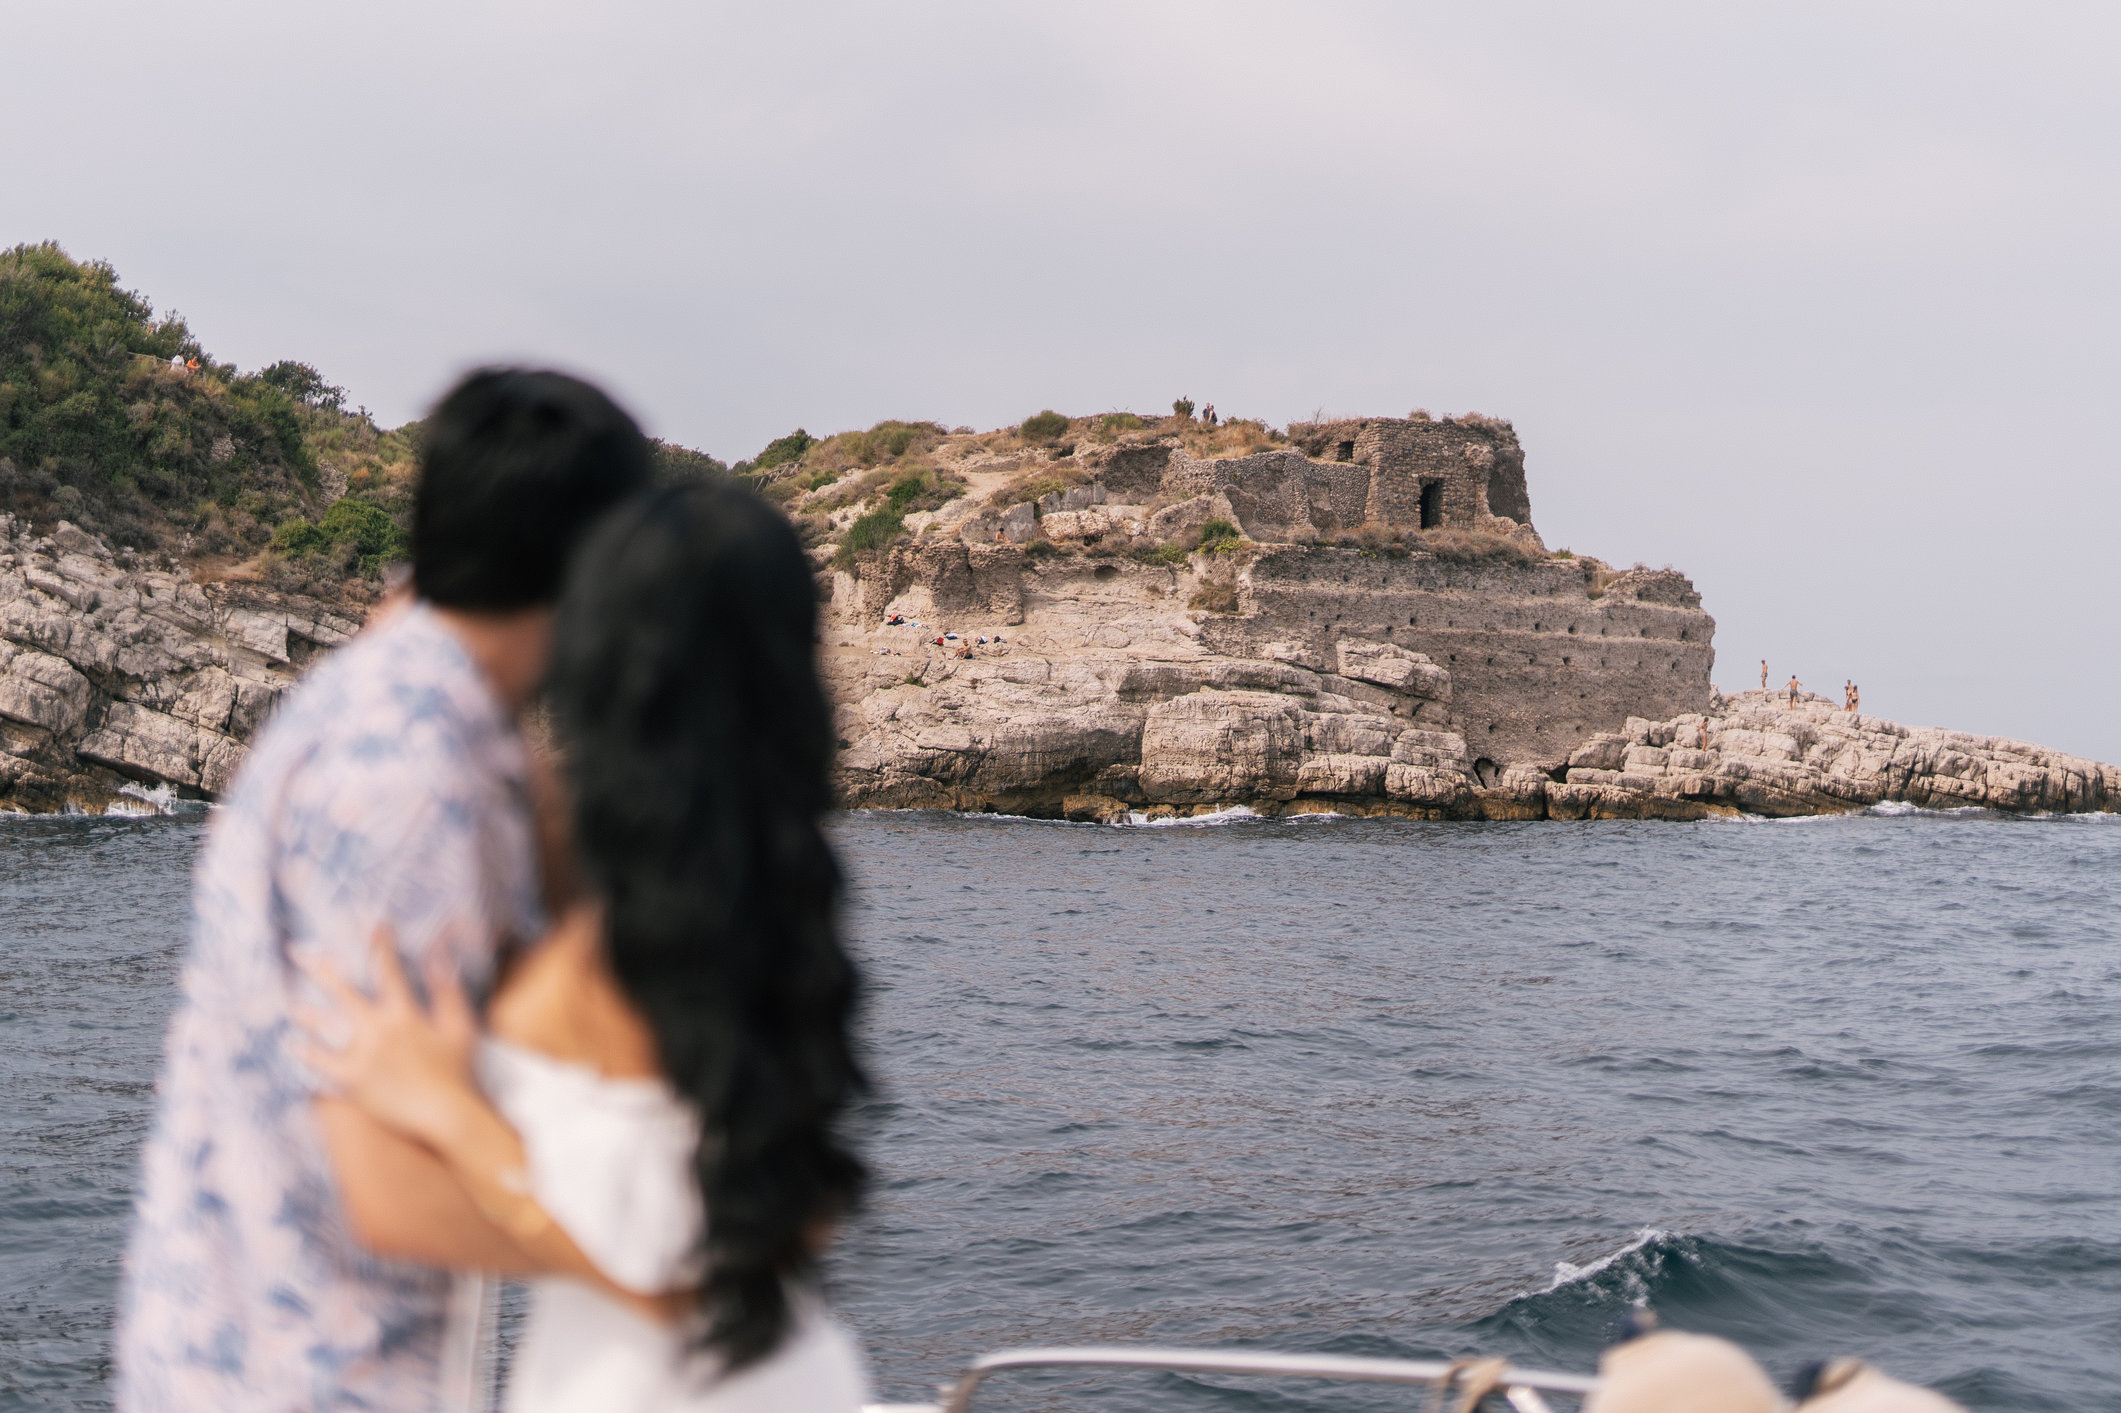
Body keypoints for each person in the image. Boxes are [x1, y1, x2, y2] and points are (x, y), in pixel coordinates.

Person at [115, 369, 653, 1413]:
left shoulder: (390, 699)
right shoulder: (421, 785)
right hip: (323, 1375)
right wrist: (690, 1263)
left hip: (225, 1351)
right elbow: (393, 1194)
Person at [296, 482, 870, 1411]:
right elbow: (788, 1226)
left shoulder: (613, 937)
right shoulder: (783, 891)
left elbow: (668, 1285)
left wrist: (453, 1114)